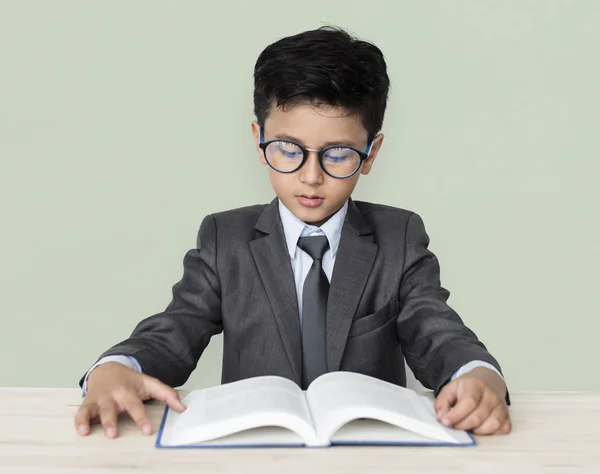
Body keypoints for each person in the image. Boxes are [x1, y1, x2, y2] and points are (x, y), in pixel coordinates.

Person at [74, 26, 511, 440]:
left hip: (369, 452)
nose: (311, 177)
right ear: (258, 139)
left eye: (338, 155)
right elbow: (175, 330)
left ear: (371, 152)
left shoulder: (399, 237)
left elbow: (437, 331)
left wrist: (475, 373)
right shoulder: (225, 238)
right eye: (288, 150)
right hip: (255, 449)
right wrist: (114, 367)